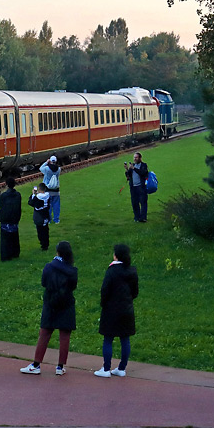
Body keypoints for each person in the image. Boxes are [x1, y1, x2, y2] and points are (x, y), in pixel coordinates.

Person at [20, 241, 78, 376]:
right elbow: (73, 286)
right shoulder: (72, 271)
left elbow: (43, 282)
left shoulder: (49, 267)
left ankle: (36, 364)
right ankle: (60, 366)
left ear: (57, 252)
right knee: (64, 336)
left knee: (44, 333)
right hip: (67, 303)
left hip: (50, 303)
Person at [94, 244, 139, 378]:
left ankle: (106, 368)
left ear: (116, 255)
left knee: (108, 338)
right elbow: (135, 292)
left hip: (111, 308)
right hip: (127, 308)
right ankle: (121, 368)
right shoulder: (132, 271)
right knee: (125, 338)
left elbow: (105, 290)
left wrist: (104, 303)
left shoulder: (112, 270)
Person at [0, 175, 22, 261]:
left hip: (5, 219)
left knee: (5, 239)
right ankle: (15, 253)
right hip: (15, 219)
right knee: (14, 237)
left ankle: (5, 255)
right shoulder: (18, 195)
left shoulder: (4, 195)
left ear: (6, 184)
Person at [124, 152, 149, 223]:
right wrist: (126, 169)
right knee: (134, 203)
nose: (134, 159)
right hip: (133, 187)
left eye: (136, 157)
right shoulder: (132, 166)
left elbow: (143, 173)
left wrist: (134, 168)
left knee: (143, 202)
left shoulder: (143, 165)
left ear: (140, 158)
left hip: (141, 187)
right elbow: (128, 176)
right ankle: (137, 217)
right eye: (134, 157)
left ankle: (143, 218)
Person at [27, 186, 51, 251]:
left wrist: (33, 194)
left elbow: (31, 202)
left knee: (40, 231)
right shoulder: (47, 196)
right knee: (46, 230)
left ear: (39, 190)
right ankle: (46, 244)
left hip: (39, 216)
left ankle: (43, 245)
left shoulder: (38, 197)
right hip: (46, 215)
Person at [41, 156, 61, 223]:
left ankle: (48, 220)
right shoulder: (59, 169)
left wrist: (46, 162)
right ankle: (56, 220)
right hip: (56, 190)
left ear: (50, 161)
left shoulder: (47, 169)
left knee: (48, 206)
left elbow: (40, 168)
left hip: (48, 190)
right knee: (56, 206)